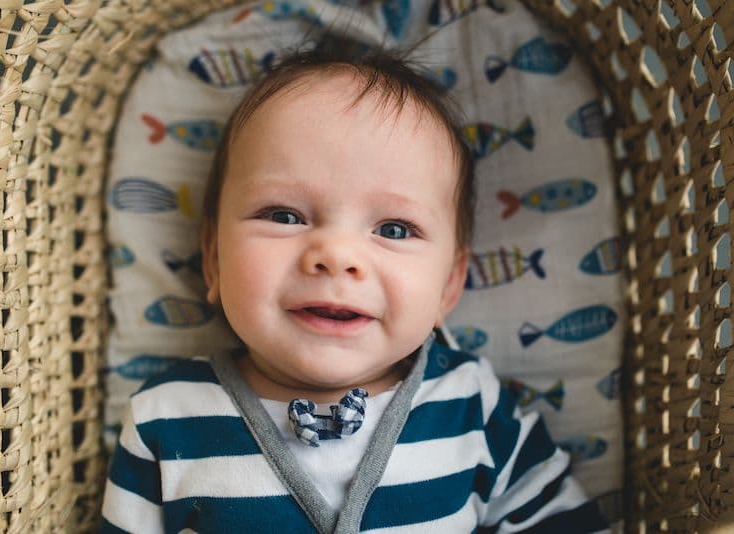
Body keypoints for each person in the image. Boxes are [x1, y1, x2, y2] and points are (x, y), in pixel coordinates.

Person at [100, 43, 609, 533]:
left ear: (448, 285)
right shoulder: (167, 418)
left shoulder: (473, 407)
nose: (337, 256)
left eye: (393, 229)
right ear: (213, 260)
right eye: (284, 215)